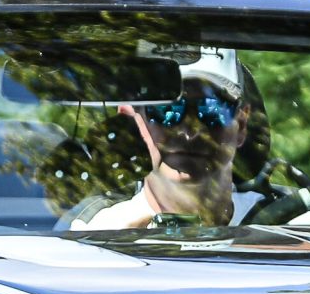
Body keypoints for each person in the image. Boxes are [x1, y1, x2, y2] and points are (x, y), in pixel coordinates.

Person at [64, 48, 263, 230]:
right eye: (166, 109)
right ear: (129, 120)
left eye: (212, 109)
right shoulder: (95, 234)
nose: (189, 131)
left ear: (241, 125)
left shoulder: (278, 225)